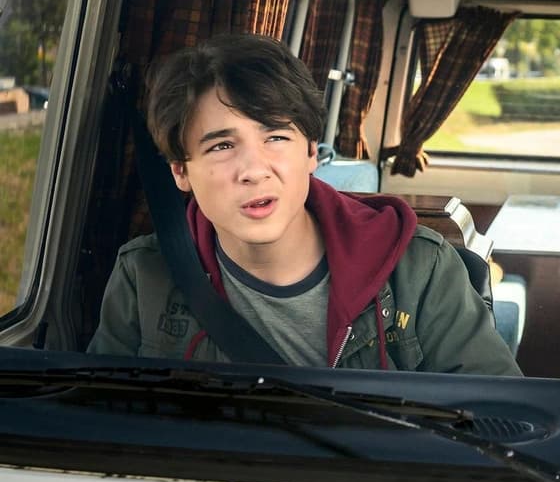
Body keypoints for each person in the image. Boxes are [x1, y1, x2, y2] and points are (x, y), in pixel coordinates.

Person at [89, 34, 521, 376]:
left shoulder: (419, 272)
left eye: (276, 137)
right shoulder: (144, 276)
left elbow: (500, 421)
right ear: (181, 171)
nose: (253, 170)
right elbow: (97, 426)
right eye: (222, 146)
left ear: (311, 152)